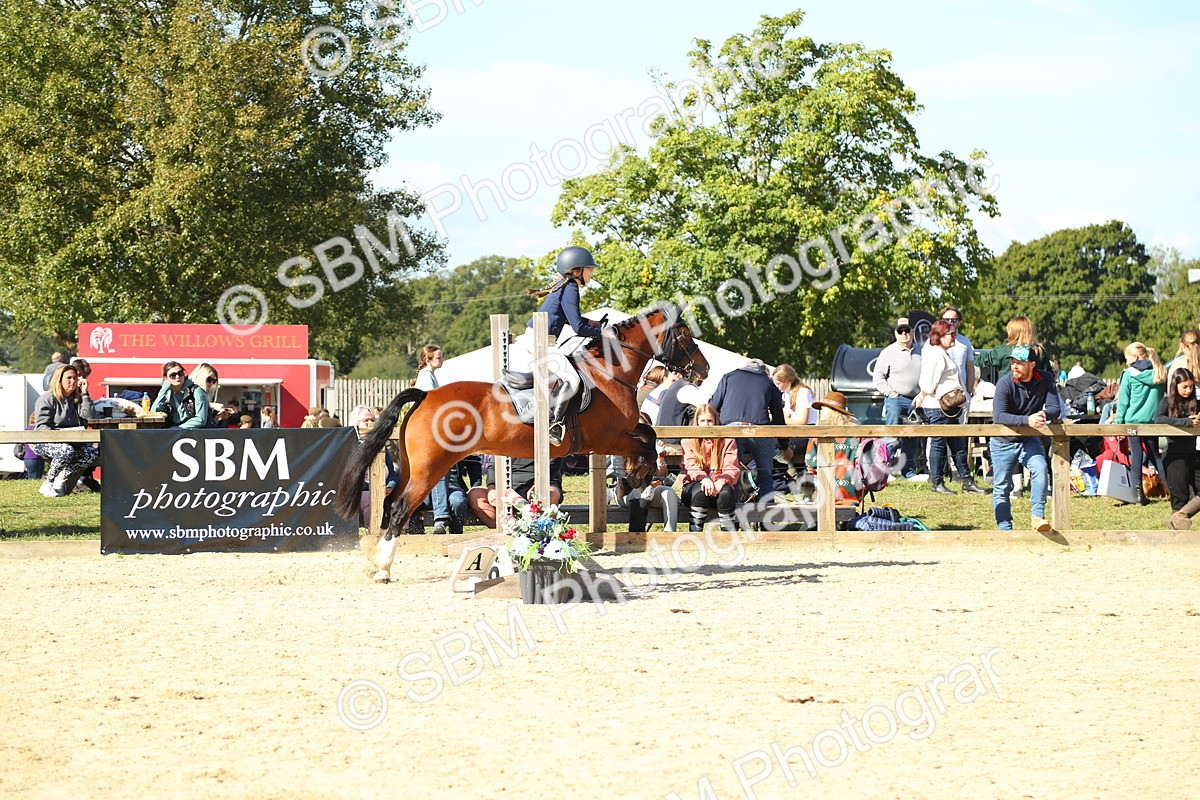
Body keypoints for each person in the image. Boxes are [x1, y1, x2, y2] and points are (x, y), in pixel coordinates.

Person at [517, 246, 606, 445]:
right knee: (572, 379)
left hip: (539, 338)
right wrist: (603, 332)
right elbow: (578, 328)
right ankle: (554, 424)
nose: (592, 272)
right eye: (589, 269)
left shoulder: (567, 286)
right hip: (539, 341)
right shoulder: (571, 288)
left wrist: (593, 323)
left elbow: (569, 318)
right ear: (576, 271)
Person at [989, 345, 1062, 532]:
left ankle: (1038, 517)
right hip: (1002, 440)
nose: (1015, 367)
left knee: (1040, 468)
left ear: (1032, 365)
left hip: (1028, 438)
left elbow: (1055, 408)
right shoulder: (1005, 383)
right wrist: (1027, 420)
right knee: (1002, 486)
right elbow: (999, 416)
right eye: (1013, 363)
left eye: (1020, 364)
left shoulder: (1045, 378)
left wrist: (1043, 415)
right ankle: (1005, 528)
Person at [916, 319, 986, 495]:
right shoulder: (936, 354)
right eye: (951, 334)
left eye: (955, 333)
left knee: (957, 444)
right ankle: (936, 482)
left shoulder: (941, 353)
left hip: (948, 407)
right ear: (939, 336)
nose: (954, 337)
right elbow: (927, 382)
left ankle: (966, 481)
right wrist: (926, 395)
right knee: (939, 444)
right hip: (938, 406)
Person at [709, 358, 788, 503]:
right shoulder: (769, 383)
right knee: (765, 476)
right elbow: (778, 417)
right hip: (759, 431)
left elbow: (712, 406)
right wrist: (785, 446)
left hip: (731, 432)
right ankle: (766, 520)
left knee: (730, 473)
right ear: (763, 370)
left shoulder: (729, 377)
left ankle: (733, 517)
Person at [414, 344, 464, 534]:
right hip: (430, 428)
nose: (441, 360)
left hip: (430, 426)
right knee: (439, 472)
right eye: (438, 357)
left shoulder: (429, 375)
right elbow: (432, 403)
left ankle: (441, 517)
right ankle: (441, 516)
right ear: (428, 360)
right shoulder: (427, 376)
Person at [32, 364, 99, 497]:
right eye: (69, 378)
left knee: (92, 453)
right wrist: (62, 435)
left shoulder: (76, 398)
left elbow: (90, 417)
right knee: (66, 450)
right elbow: (41, 428)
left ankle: (62, 477)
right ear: (59, 379)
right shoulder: (47, 399)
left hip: (73, 442)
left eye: (75, 378)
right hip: (45, 442)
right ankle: (48, 483)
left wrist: (85, 393)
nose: (73, 381)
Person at [871, 317, 923, 480]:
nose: (904, 334)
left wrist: (923, 394)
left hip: (916, 400)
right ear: (896, 333)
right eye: (901, 331)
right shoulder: (888, 352)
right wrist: (893, 394)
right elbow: (878, 378)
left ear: (913, 332)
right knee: (891, 436)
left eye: (907, 330)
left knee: (912, 436)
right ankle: (884, 470)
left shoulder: (922, 350)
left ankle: (909, 472)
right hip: (895, 400)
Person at [1115, 342, 1167, 506]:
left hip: (1133, 422)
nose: (1126, 362)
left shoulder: (1129, 374)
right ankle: (1173, 489)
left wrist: (1118, 423)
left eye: (1127, 358)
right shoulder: (1159, 371)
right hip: (1153, 421)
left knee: (1136, 456)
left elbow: (1123, 401)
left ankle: (1138, 495)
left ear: (1135, 357)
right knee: (1155, 456)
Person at [681, 404, 740, 532]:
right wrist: (704, 478)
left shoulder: (727, 440)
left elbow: (732, 467)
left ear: (715, 421)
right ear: (696, 422)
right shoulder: (688, 440)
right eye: (702, 421)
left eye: (709, 420)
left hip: (721, 485)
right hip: (694, 485)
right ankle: (695, 534)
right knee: (700, 491)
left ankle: (728, 536)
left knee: (725, 493)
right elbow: (690, 466)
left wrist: (721, 481)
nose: (706, 424)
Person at [1155, 368, 1200, 529]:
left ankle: (1179, 517)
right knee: (1179, 498)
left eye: (1191, 387)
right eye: (1184, 387)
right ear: (1175, 386)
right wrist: (1186, 422)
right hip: (1175, 455)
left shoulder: (1196, 402)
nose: (1188, 390)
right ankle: (1177, 528)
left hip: (1194, 453)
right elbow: (1158, 419)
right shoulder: (1167, 402)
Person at [467, 457, 564, 529]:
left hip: (544, 481)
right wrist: (491, 489)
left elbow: (555, 461)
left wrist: (538, 484)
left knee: (549, 495)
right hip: (508, 483)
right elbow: (493, 465)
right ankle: (509, 532)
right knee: (475, 495)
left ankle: (539, 535)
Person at [803, 391, 864, 506]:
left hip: (826, 492)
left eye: (822, 409)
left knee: (810, 517)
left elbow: (810, 464)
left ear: (828, 412)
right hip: (854, 491)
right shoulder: (858, 434)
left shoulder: (817, 434)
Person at [347, 405, 399, 528]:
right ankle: (372, 535)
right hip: (359, 492)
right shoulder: (349, 445)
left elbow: (392, 473)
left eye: (372, 420)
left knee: (399, 500)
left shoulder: (381, 445)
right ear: (355, 423)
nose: (370, 423)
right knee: (370, 500)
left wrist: (390, 486)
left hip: (383, 489)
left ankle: (400, 539)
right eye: (366, 420)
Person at [771, 364, 815, 487]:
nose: (777, 386)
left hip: (808, 433)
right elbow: (785, 415)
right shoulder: (787, 393)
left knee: (777, 446)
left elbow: (802, 421)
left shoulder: (803, 392)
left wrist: (779, 418)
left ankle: (794, 478)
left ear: (788, 381)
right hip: (796, 432)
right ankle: (793, 477)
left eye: (778, 383)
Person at [974, 316, 1053, 378]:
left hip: (1007, 395)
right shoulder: (1040, 352)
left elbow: (977, 362)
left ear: (1012, 332)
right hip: (1035, 396)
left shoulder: (1002, 351)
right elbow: (1049, 376)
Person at [151, 361, 211, 428]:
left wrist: (177, 429)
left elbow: (200, 420)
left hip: (195, 432)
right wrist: (163, 390)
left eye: (180, 373)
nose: (177, 377)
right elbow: (154, 413)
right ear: (166, 378)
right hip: (172, 432)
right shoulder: (166, 393)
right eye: (173, 375)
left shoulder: (196, 391)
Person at [188, 363, 230, 427]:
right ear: (201, 377)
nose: (211, 383)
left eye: (214, 380)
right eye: (209, 379)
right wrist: (210, 405)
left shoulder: (205, 394)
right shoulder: (189, 391)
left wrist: (217, 418)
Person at [22, 412, 44, 480]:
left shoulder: (27, 429)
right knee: (36, 478)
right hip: (35, 457)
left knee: (32, 478)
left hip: (28, 457)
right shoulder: (36, 429)